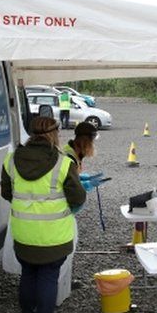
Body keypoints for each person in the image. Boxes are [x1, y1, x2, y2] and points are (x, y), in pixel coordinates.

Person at [0, 116, 85, 313]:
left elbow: (6, 193)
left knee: (28, 275)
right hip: (54, 237)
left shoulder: (11, 160)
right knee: (48, 278)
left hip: (24, 234)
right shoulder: (63, 162)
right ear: (55, 133)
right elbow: (78, 197)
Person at [57, 121, 103, 303]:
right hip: (62, 210)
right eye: (93, 141)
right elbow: (66, 185)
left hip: (66, 208)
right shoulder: (68, 156)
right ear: (86, 141)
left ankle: (65, 282)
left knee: (69, 247)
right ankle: (60, 285)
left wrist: (82, 179)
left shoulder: (74, 153)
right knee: (65, 247)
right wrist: (83, 184)